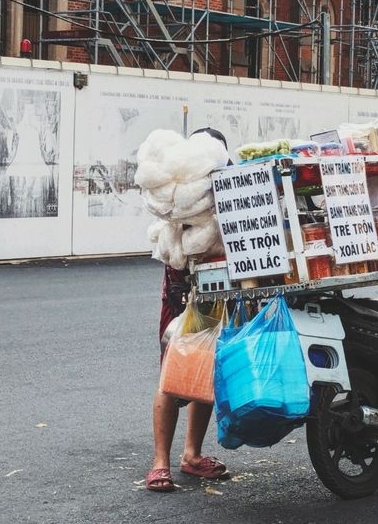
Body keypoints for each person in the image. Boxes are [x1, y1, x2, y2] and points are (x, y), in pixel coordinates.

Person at [146, 127, 230, 492]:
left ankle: (191, 455)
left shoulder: (224, 191)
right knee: (172, 373)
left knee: (203, 370)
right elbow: (171, 247)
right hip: (182, 292)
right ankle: (159, 462)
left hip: (216, 291)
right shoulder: (178, 197)